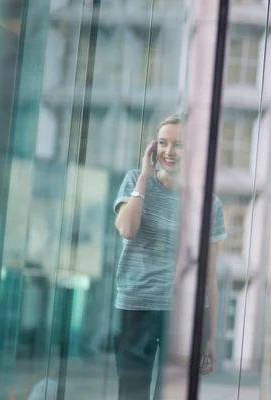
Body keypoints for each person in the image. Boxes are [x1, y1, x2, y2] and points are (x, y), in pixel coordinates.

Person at [113, 114, 227, 400]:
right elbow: (127, 229)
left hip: (185, 311)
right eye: (163, 143)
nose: (169, 151)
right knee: (132, 393)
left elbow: (209, 272)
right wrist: (143, 177)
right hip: (137, 305)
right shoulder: (135, 182)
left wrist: (212, 334)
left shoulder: (209, 202)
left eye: (179, 144)